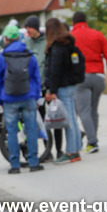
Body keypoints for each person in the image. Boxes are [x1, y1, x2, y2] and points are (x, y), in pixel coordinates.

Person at [0, 22, 43, 174]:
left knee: (12, 132)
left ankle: (15, 165)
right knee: (31, 129)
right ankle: (33, 162)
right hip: (28, 97)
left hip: (9, 98)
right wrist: (36, 95)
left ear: (6, 38)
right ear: (19, 37)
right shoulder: (28, 54)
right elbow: (36, 77)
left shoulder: (2, 57)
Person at [71, 11, 107, 154]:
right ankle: (92, 140)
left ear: (73, 23)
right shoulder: (98, 35)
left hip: (81, 78)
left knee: (84, 111)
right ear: (86, 21)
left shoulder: (71, 37)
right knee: (93, 110)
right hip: (99, 77)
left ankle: (92, 142)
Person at [43, 17, 85, 164]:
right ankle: (76, 148)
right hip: (72, 85)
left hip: (62, 87)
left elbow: (55, 71)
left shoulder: (57, 48)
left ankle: (71, 151)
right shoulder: (69, 44)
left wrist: (51, 90)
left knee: (68, 121)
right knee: (72, 117)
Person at [24, 16, 62, 163]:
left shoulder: (46, 42)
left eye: (30, 27)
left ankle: (59, 150)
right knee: (39, 122)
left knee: (55, 119)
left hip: (48, 87)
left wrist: (52, 87)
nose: (28, 30)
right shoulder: (27, 44)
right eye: (26, 28)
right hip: (34, 90)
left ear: (36, 27)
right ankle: (47, 151)